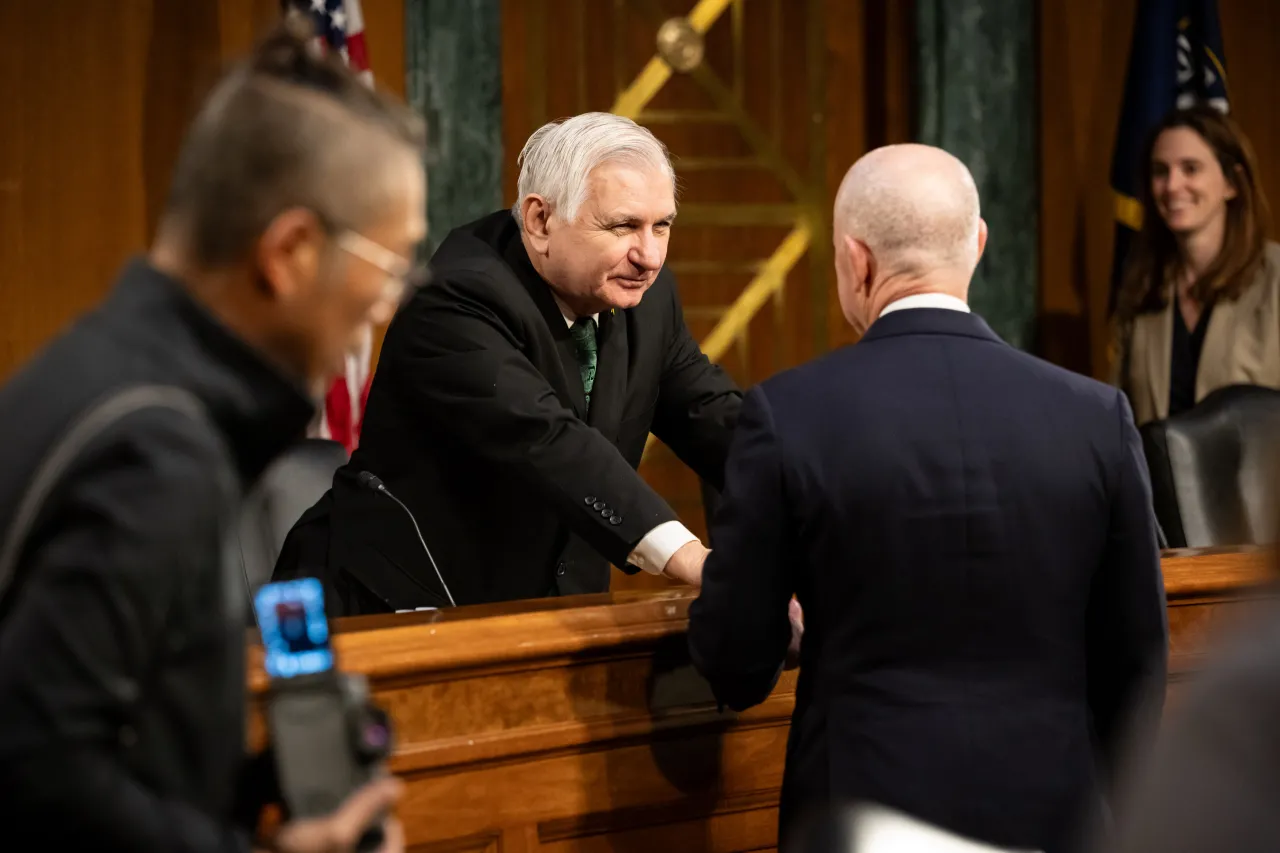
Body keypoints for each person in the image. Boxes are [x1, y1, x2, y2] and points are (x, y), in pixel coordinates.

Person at [0, 19, 425, 853]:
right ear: (293, 252)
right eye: (393, 263)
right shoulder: (159, 448)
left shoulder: (99, 369)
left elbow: (108, 730)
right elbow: (35, 770)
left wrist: (243, 783)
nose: (389, 304)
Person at [687, 144, 1170, 853]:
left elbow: (734, 655)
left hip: (861, 816)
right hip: (1059, 814)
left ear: (856, 260)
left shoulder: (789, 413)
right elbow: (1137, 656)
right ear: (977, 245)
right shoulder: (1096, 414)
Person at [274, 112, 741, 614]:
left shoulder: (643, 296)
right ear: (540, 220)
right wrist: (691, 558)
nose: (649, 255)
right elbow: (548, 440)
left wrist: (812, 482)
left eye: (662, 226)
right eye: (624, 225)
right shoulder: (457, 296)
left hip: (548, 615)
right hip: (397, 606)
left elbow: (708, 411)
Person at [1112, 105, 1280, 427]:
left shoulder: (1275, 279)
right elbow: (1119, 414)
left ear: (1232, 183)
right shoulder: (1143, 283)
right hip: (1156, 477)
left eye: (1190, 169)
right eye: (1161, 171)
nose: (1172, 185)